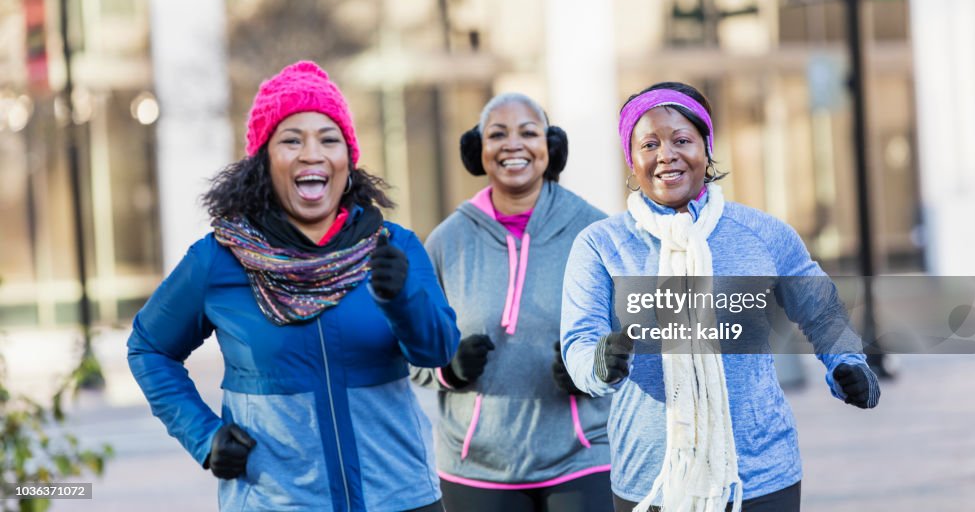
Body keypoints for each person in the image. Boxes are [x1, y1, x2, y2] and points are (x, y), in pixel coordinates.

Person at [127, 60, 460, 512]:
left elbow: (437, 351)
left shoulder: (393, 246)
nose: (312, 154)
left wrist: (403, 298)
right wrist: (203, 436)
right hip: (277, 502)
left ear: (348, 158)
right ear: (264, 161)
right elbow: (149, 348)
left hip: (400, 498)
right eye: (291, 140)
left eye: (329, 139)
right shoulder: (219, 259)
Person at [560, 82, 881, 512]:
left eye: (682, 140)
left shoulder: (763, 234)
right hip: (652, 481)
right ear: (631, 160)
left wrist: (848, 362)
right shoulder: (600, 244)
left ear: (706, 149)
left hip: (761, 474)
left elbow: (822, 312)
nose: (666, 154)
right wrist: (600, 363)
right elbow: (579, 342)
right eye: (649, 143)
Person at [412, 92, 614, 512]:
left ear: (550, 146)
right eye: (497, 134)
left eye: (528, 132)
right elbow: (411, 346)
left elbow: (627, 338)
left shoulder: (595, 232)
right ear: (477, 150)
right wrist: (447, 369)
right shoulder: (446, 242)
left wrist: (591, 368)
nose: (513, 144)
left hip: (583, 456)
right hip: (475, 466)